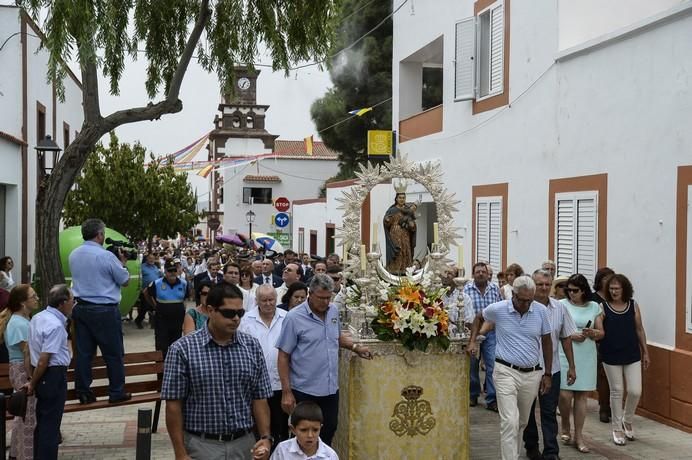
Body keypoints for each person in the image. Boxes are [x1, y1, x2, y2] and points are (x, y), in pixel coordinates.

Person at [162, 282, 274, 459]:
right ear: (210, 310)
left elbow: (259, 398)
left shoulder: (252, 346)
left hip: (244, 444)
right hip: (202, 445)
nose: (236, 318)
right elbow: (173, 405)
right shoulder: (182, 349)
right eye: (229, 313)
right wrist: (180, 452)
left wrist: (266, 437)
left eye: (240, 313)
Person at [276, 274, 372, 446]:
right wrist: (286, 392)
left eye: (329, 298)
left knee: (328, 432)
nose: (325, 302)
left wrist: (356, 348)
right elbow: (283, 355)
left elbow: (336, 337)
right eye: (321, 298)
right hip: (304, 390)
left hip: (330, 389)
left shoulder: (333, 311)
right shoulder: (294, 318)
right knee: (305, 437)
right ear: (310, 294)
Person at [468, 275, 553, 460]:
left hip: (532, 373)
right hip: (505, 370)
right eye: (521, 300)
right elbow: (478, 317)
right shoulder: (499, 309)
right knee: (509, 421)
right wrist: (473, 341)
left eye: (529, 300)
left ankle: (513, 454)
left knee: (521, 422)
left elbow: (547, 341)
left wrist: (547, 373)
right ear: (513, 294)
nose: (525, 304)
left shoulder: (541, 311)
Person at [69, 218, 131, 405]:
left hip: (81, 307)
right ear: (100, 235)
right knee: (113, 354)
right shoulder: (105, 256)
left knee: (83, 354)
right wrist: (122, 263)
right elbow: (124, 280)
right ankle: (116, 391)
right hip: (105, 309)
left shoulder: (74, 254)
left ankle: (83, 392)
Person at [522, 270, 577, 460]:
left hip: (551, 369)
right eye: (539, 284)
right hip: (527, 370)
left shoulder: (559, 308)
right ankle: (531, 446)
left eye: (547, 284)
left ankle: (551, 452)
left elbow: (566, 338)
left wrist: (571, 366)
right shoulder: (524, 307)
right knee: (527, 413)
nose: (544, 288)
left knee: (549, 412)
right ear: (532, 285)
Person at [600, 274, 649, 446]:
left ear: (624, 289)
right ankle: (616, 428)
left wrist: (646, 352)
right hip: (610, 354)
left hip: (632, 354)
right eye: (611, 288)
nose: (614, 291)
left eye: (617, 288)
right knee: (617, 390)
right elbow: (599, 330)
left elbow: (640, 329)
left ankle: (627, 420)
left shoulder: (633, 305)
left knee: (635, 390)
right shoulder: (603, 307)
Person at [27, 284, 74, 459]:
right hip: (53, 375)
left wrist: (33, 378)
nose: (73, 304)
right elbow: (44, 360)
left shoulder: (38, 317)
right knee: (50, 425)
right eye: (72, 301)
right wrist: (32, 383)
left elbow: (30, 353)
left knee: (43, 421)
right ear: (62, 303)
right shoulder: (55, 325)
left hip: (43, 375)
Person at [558, 274, 604, 454]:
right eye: (568, 290)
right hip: (565, 352)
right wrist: (570, 335)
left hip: (586, 353)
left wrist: (593, 332)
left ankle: (579, 435)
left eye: (574, 290)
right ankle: (565, 424)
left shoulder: (594, 307)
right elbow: (556, 329)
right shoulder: (561, 305)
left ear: (583, 290)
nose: (571, 294)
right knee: (564, 394)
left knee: (582, 396)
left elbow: (602, 332)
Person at [239, 285, 289, 450]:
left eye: (271, 300)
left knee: (280, 428)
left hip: (280, 385)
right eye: (264, 300)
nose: (268, 303)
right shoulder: (245, 320)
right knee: (257, 429)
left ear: (277, 299)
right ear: (257, 301)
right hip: (253, 386)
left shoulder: (287, 318)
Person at [1, 284, 40, 459]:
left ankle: (16, 454)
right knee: (28, 416)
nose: (37, 298)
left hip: (21, 369)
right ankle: (26, 455)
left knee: (23, 413)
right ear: (23, 303)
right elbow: (27, 354)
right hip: (23, 371)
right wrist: (32, 378)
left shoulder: (22, 321)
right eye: (33, 296)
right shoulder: (18, 323)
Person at [463, 262, 502, 411]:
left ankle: (492, 398)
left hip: (491, 331)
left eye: (483, 272)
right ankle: (473, 394)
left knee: (492, 363)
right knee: (472, 364)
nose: (480, 274)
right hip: (471, 332)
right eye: (478, 272)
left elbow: (499, 310)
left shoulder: (494, 289)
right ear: (473, 274)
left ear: (487, 274)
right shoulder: (466, 289)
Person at [144, 259, 188, 359]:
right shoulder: (156, 283)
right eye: (169, 271)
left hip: (177, 323)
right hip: (162, 322)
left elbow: (186, 297)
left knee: (176, 348)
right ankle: (161, 373)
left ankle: (175, 372)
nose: (172, 273)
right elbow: (146, 292)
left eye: (174, 271)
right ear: (165, 271)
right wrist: (154, 305)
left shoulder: (184, 283)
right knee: (161, 348)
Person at [270, 401, 338, 460]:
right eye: (304, 430)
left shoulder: (330, 456)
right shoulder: (282, 450)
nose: (310, 435)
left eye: (315, 430)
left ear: (320, 428)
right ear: (293, 429)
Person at [591, 266, 615, 423]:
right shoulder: (593, 300)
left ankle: (612, 406)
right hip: (598, 342)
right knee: (603, 376)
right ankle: (604, 408)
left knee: (613, 377)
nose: (609, 283)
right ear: (599, 281)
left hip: (614, 341)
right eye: (606, 279)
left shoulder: (615, 298)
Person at [383, 190, 416, 273]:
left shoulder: (408, 210)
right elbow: (387, 222)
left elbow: (413, 224)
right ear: (396, 199)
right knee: (397, 251)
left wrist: (412, 225)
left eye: (403, 198)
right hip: (395, 233)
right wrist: (387, 220)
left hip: (405, 233)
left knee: (406, 250)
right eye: (400, 198)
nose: (402, 199)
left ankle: (405, 269)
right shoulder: (392, 210)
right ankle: (395, 270)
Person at [136, 252, 162, 329]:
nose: (151, 260)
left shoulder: (155, 267)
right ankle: (138, 320)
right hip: (145, 290)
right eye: (150, 258)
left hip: (155, 290)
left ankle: (153, 323)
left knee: (154, 307)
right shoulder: (142, 267)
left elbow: (160, 276)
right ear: (146, 259)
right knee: (144, 307)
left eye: (153, 258)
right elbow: (139, 278)